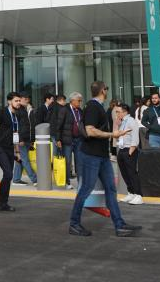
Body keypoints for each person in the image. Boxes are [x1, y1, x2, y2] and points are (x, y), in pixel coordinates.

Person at [69, 82, 141, 238]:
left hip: (101, 155)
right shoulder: (93, 107)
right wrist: (113, 135)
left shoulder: (99, 107)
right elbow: (90, 131)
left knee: (110, 189)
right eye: (106, 89)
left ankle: (119, 225)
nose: (107, 91)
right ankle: (74, 224)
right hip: (91, 155)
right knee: (86, 189)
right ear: (103, 91)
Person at [53, 92, 85, 189]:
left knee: (80, 161)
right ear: (72, 101)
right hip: (67, 140)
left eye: (81, 100)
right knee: (67, 161)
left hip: (79, 139)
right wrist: (58, 139)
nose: (80, 102)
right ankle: (67, 182)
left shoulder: (80, 110)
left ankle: (80, 182)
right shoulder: (64, 110)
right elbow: (58, 125)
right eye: (79, 100)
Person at [115, 103, 143, 204]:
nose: (117, 114)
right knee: (124, 173)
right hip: (122, 149)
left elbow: (135, 137)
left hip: (129, 150)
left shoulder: (131, 121)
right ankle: (131, 192)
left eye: (118, 112)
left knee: (132, 173)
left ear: (124, 112)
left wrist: (131, 150)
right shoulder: (122, 122)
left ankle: (138, 195)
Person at [12, 93, 37, 185]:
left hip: (26, 139)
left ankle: (16, 179)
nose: (27, 101)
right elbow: (17, 127)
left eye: (28, 99)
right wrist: (20, 139)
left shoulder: (26, 110)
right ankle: (35, 179)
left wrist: (31, 140)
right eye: (25, 99)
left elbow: (29, 126)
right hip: (22, 140)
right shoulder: (18, 111)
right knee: (25, 160)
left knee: (21, 160)